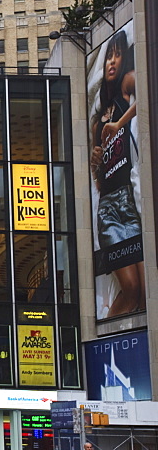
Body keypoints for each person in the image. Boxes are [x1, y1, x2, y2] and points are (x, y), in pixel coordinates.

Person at [89, 29, 143, 318]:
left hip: (129, 204)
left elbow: (146, 86)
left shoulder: (126, 84)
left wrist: (119, 123)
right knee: (132, 289)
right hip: (109, 209)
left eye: (117, 54)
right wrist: (94, 159)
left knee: (145, 292)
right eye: (108, 55)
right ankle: (109, 335)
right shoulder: (97, 120)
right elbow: (97, 179)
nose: (111, 61)